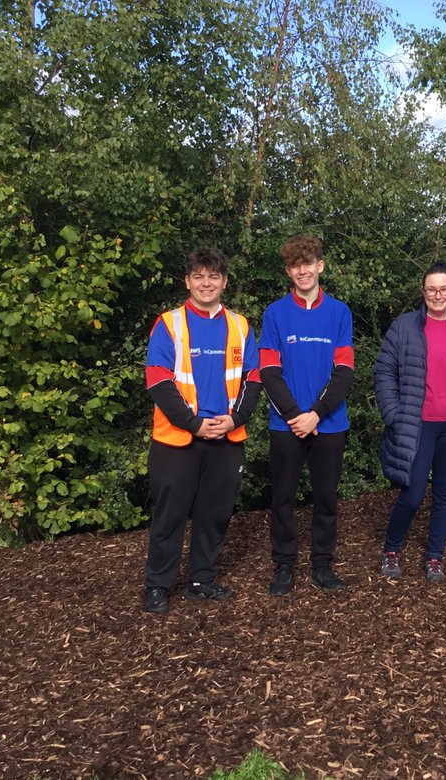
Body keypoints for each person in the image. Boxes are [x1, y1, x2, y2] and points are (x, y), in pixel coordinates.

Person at [142, 248, 262, 614]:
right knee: (169, 516)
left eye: (213, 277)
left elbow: (253, 380)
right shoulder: (169, 324)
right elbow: (158, 382)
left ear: (224, 282)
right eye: (199, 276)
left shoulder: (240, 326)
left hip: (226, 438)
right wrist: (195, 424)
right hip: (177, 440)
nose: (206, 283)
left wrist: (234, 419)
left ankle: (201, 581)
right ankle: (157, 585)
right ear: (187, 281)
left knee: (215, 513)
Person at [375, 261, 446, 582]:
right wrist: (393, 414)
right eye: (431, 289)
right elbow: (384, 372)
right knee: (411, 495)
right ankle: (392, 549)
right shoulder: (404, 327)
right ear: (423, 291)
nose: (437, 295)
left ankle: (435, 557)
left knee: (444, 494)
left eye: (443, 289)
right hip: (416, 425)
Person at [258, 234, 355, 595]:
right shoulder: (276, 313)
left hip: (329, 423)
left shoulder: (340, 312)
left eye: (309, 263)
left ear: (320, 266)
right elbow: (268, 370)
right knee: (282, 496)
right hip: (285, 424)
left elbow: (344, 371)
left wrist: (315, 414)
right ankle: (283, 565)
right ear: (289, 271)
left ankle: (322, 564)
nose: (303, 270)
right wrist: (296, 415)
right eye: (296, 265)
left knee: (326, 497)